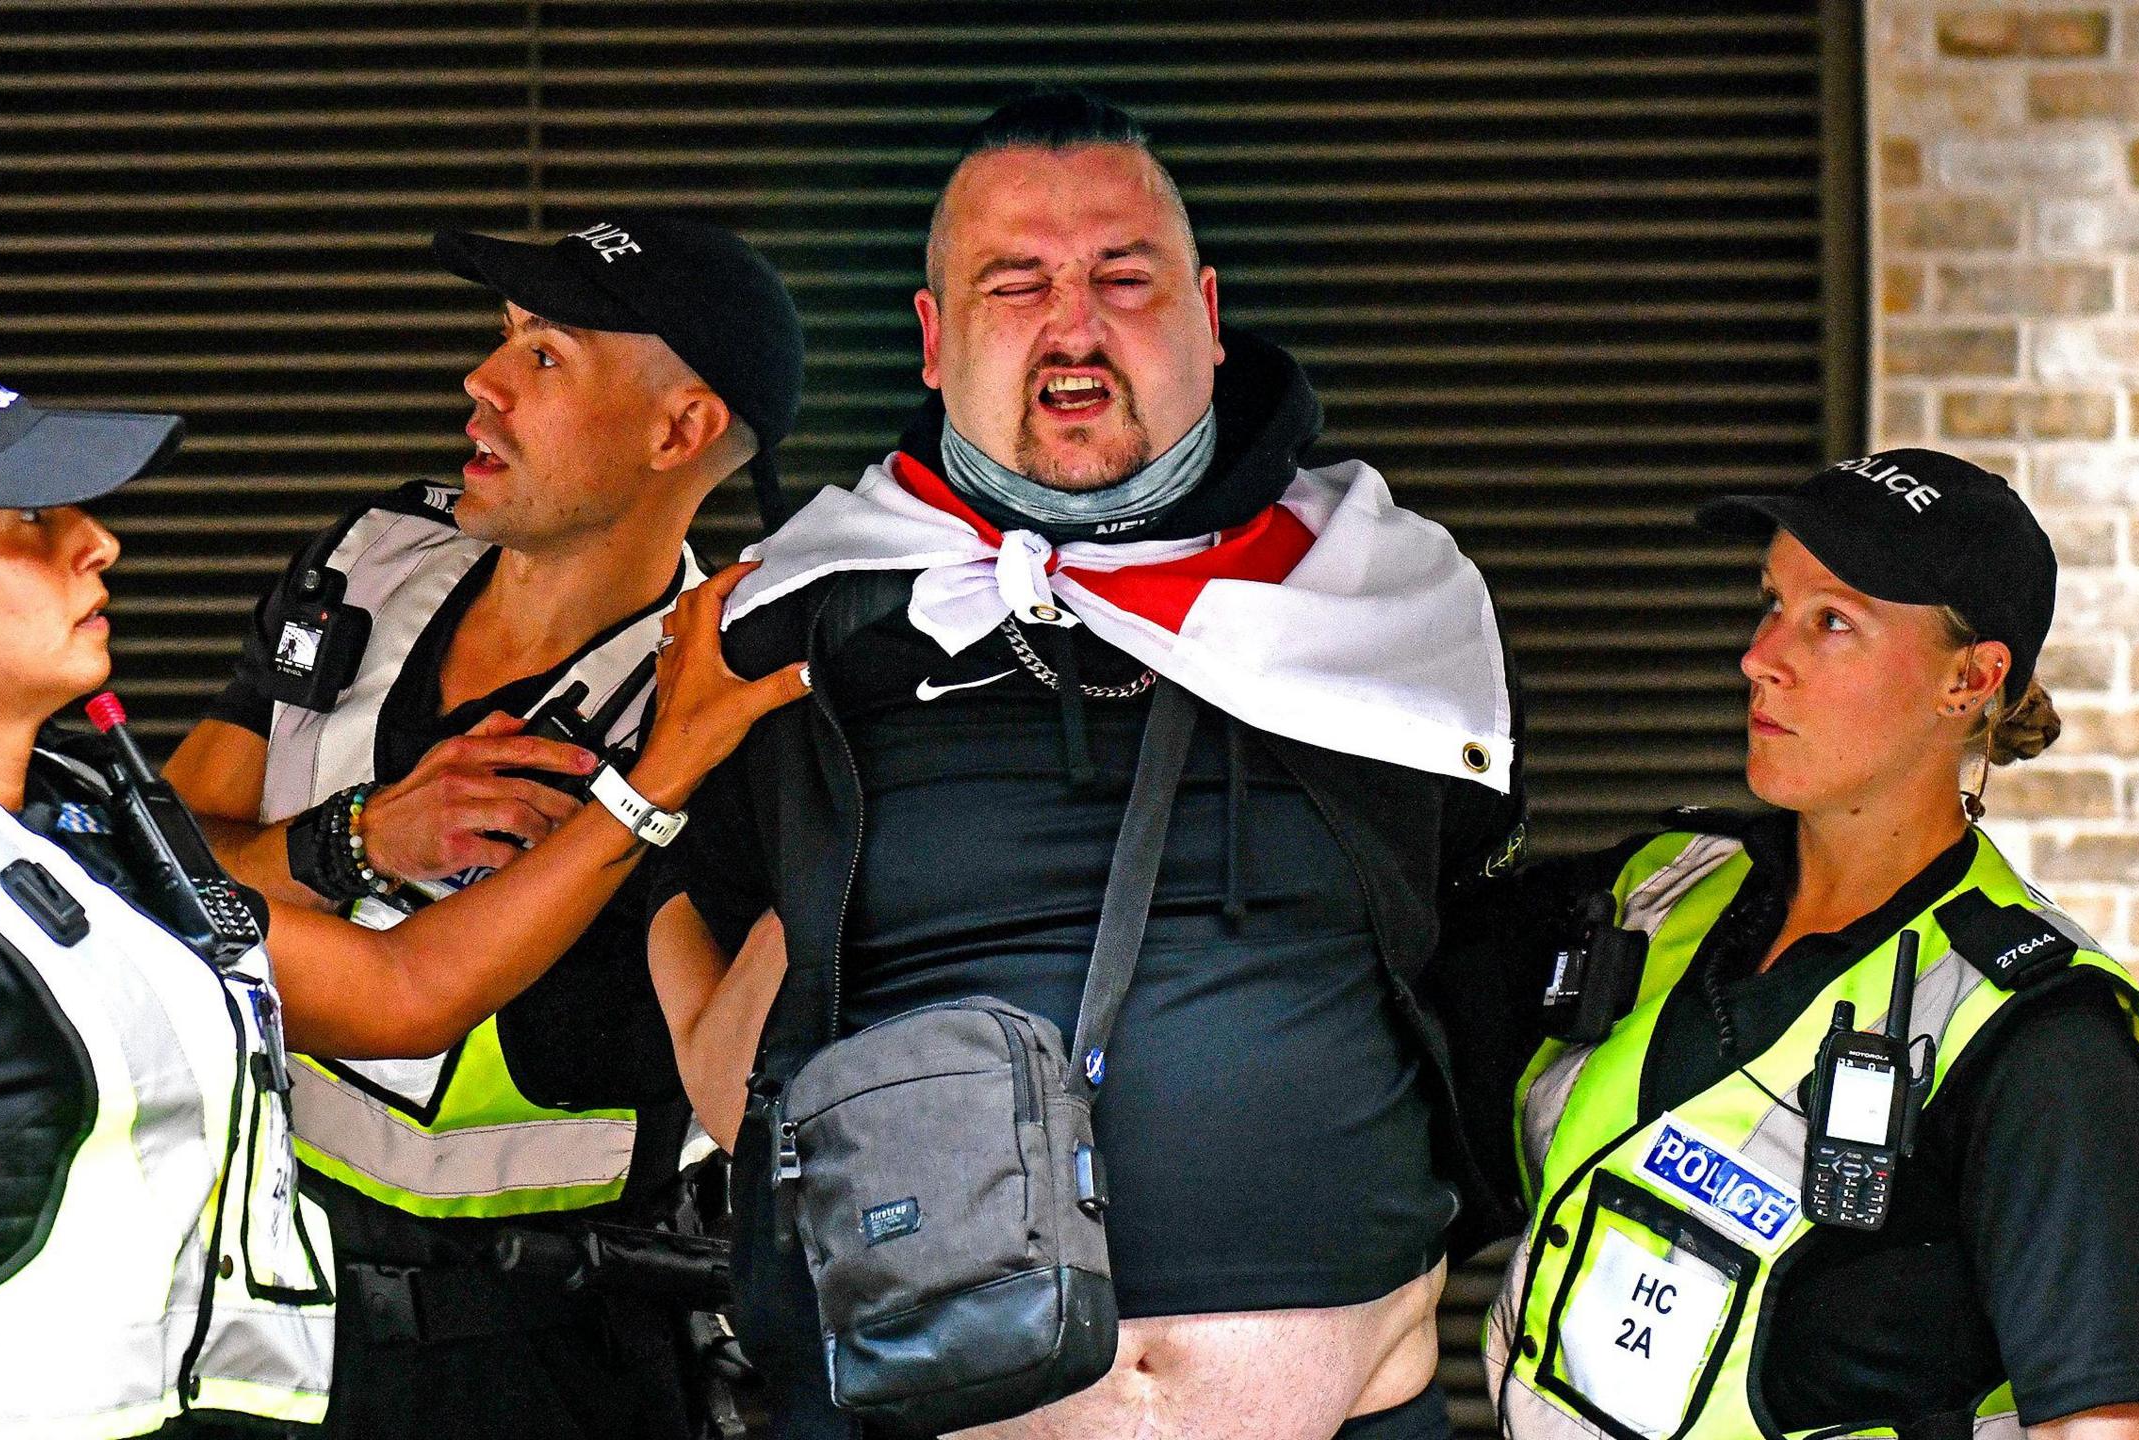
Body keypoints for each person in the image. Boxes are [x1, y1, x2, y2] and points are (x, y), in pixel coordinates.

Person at [0, 338, 804, 1440]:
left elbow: (401, 988)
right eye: (30, 523)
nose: (98, 542)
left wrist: (659, 772)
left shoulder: (55, 832)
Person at [649, 91, 1528, 1440]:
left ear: (1209, 317)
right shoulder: (799, 621)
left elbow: (1449, 918)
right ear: (935, 340)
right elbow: (678, 907)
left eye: (1125, 276)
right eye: (1018, 283)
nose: (1076, 323)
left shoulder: (1382, 598)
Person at [158, 215, 804, 1440]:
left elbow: (734, 1090)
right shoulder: (366, 561)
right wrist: (348, 840)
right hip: (241, 1314)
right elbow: (152, 863)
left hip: (550, 1359)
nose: (483, 382)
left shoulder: (721, 715)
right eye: (503, 336)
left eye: (547, 357)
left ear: (682, 431)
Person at [1473, 449, 2139, 1440]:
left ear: (1969, 679)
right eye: (1771, 601)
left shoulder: (2042, 1039)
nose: (1760, 656)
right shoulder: (1661, 887)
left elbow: (2095, 1427)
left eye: (1832, 621)